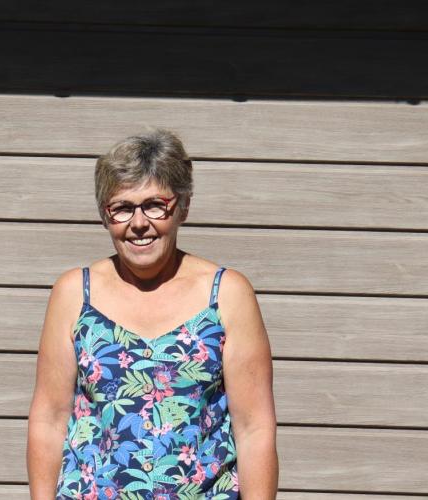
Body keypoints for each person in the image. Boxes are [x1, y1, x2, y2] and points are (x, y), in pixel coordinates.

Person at [27, 130, 278, 499]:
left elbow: (254, 428)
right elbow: (48, 420)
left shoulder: (227, 295)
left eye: (155, 205)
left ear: (183, 207)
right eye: (122, 208)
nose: (139, 223)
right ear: (104, 216)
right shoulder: (73, 294)